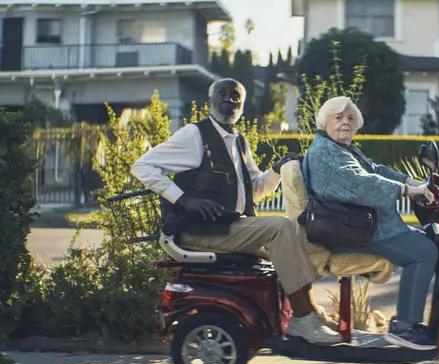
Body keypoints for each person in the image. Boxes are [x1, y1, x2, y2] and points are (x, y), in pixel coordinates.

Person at [131, 78, 342, 345]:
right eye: (223, 93)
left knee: (296, 236)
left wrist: (275, 171)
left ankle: (309, 313)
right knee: (280, 229)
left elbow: (253, 191)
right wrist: (183, 199)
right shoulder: (193, 136)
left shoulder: (239, 141)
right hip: (200, 230)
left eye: (236, 96)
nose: (229, 99)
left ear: (242, 106)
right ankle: (302, 319)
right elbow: (142, 167)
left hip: (229, 227)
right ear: (211, 100)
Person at [302, 96, 439, 350]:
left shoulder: (341, 148)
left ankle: (411, 322)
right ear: (325, 122)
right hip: (349, 233)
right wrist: (407, 191)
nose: (345, 122)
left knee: (427, 242)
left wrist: (412, 182)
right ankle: (406, 327)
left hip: (359, 227)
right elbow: (361, 184)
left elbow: (374, 170)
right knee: (425, 251)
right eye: (338, 117)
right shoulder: (325, 153)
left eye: (350, 118)